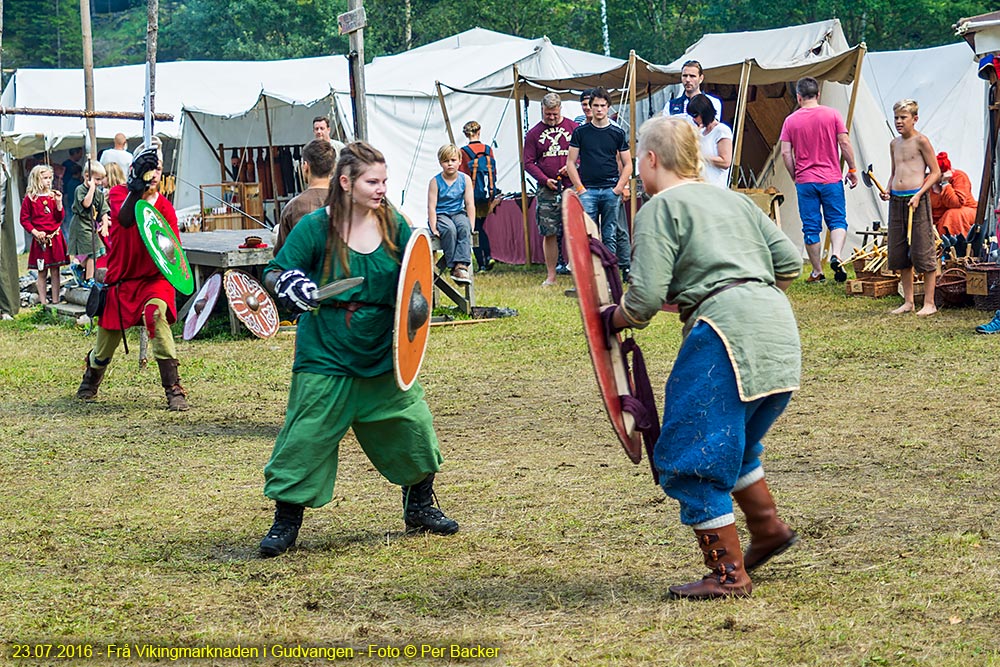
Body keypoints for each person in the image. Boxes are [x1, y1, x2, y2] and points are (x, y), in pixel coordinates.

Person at [606, 116, 801, 600]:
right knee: (732, 444)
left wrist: (610, 320)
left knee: (693, 452)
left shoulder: (659, 207)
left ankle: (728, 575)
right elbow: (791, 264)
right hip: (778, 332)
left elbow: (644, 299)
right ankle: (768, 528)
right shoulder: (735, 199)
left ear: (649, 160)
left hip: (723, 334)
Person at [257, 141, 460, 557]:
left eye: (384, 180)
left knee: (414, 427)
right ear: (346, 182)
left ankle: (420, 505)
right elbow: (275, 271)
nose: (381, 188)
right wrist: (291, 285)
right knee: (305, 437)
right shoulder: (316, 227)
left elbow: (416, 275)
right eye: (373, 181)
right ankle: (286, 522)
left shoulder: (393, 225)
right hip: (326, 355)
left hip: (382, 355)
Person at [75, 145, 190, 411]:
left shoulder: (166, 209)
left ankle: (173, 389)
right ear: (135, 169)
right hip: (121, 283)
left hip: (153, 282)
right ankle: (91, 379)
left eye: (159, 167)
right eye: (150, 166)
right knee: (104, 348)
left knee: (155, 316)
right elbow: (126, 219)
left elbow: (172, 255)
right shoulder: (118, 195)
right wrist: (136, 186)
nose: (155, 172)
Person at [780, 77, 859, 283]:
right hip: (831, 178)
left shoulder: (790, 121)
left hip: (805, 181)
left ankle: (817, 272)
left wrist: (795, 176)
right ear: (818, 94)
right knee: (837, 220)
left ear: (798, 97)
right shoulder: (832, 114)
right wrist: (851, 168)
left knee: (811, 226)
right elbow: (844, 142)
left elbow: (786, 154)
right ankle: (837, 255)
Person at [880, 99, 940, 316]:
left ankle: (929, 303)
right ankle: (908, 302)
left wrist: (919, 194)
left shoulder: (921, 141)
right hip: (897, 200)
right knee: (899, 251)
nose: (898, 121)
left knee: (922, 249)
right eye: (896, 117)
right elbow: (894, 171)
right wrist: (887, 189)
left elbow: (935, 172)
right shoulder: (894, 144)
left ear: (915, 119)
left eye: (903, 117)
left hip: (917, 200)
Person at [566, 87, 632, 266]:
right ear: (590, 107)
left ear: (608, 107)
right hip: (588, 190)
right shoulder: (581, 132)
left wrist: (619, 187)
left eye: (603, 105)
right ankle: (590, 273)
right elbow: (570, 162)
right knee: (587, 234)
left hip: (610, 188)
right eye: (595, 105)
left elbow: (628, 163)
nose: (599, 109)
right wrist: (580, 188)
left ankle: (609, 274)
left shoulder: (617, 133)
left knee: (610, 234)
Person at [524, 93, 578, 286]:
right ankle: (551, 275)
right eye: (548, 114)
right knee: (549, 231)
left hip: (572, 186)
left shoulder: (574, 128)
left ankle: (575, 270)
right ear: (542, 111)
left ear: (560, 109)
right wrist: (544, 179)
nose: (552, 118)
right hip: (547, 189)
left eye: (555, 114)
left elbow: (583, 155)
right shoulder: (533, 134)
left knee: (575, 229)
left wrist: (573, 168)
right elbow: (528, 162)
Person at [274, 139, 337, 254]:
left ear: (306, 166)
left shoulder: (292, 208)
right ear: (333, 167)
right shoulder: (346, 204)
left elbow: (281, 256)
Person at [20, 164, 68, 305]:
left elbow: (59, 218)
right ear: (36, 179)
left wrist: (59, 204)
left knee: (55, 271)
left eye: (49, 178)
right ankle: (43, 302)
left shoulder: (53, 196)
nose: (48, 181)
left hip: (55, 237)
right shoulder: (30, 198)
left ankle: (55, 300)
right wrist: (35, 232)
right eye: (45, 178)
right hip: (40, 240)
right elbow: (24, 219)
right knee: (42, 272)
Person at [427, 144, 474, 284]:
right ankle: (452, 265)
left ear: (459, 161)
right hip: (441, 214)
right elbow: (431, 206)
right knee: (449, 229)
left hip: (457, 212)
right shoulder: (435, 182)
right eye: (446, 161)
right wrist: (433, 227)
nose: (450, 164)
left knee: (463, 226)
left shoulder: (465, 179)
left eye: (453, 160)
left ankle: (462, 265)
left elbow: (470, 203)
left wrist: (471, 224)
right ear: (441, 163)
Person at [458, 120, 496, 273]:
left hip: (471, 195)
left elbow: (461, 175)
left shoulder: (463, 151)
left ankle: (482, 262)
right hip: (487, 194)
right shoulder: (488, 149)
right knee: (481, 225)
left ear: (466, 134)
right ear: (479, 132)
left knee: (475, 228)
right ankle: (488, 257)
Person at [67, 160, 111, 283]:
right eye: (97, 179)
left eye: (101, 179)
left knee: (98, 252)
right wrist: (91, 188)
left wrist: (105, 225)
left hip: (91, 226)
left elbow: (103, 210)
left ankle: (79, 267)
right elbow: (86, 203)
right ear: (87, 176)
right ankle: (89, 279)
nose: (99, 183)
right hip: (80, 226)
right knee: (92, 252)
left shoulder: (99, 193)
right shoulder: (80, 190)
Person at [687, 94, 733, 188]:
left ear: (704, 112)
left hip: (715, 188)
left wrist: (701, 157)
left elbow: (726, 161)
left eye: (695, 115)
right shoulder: (701, 132)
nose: (694, 119)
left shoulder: (721, 130)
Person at [929, 151, 977, 237]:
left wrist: (945, 183)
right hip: (937, 221)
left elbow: (956, 203)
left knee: (953, 214)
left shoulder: (959, 177)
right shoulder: (928, 182)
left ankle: (959, 247)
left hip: (965, 212)